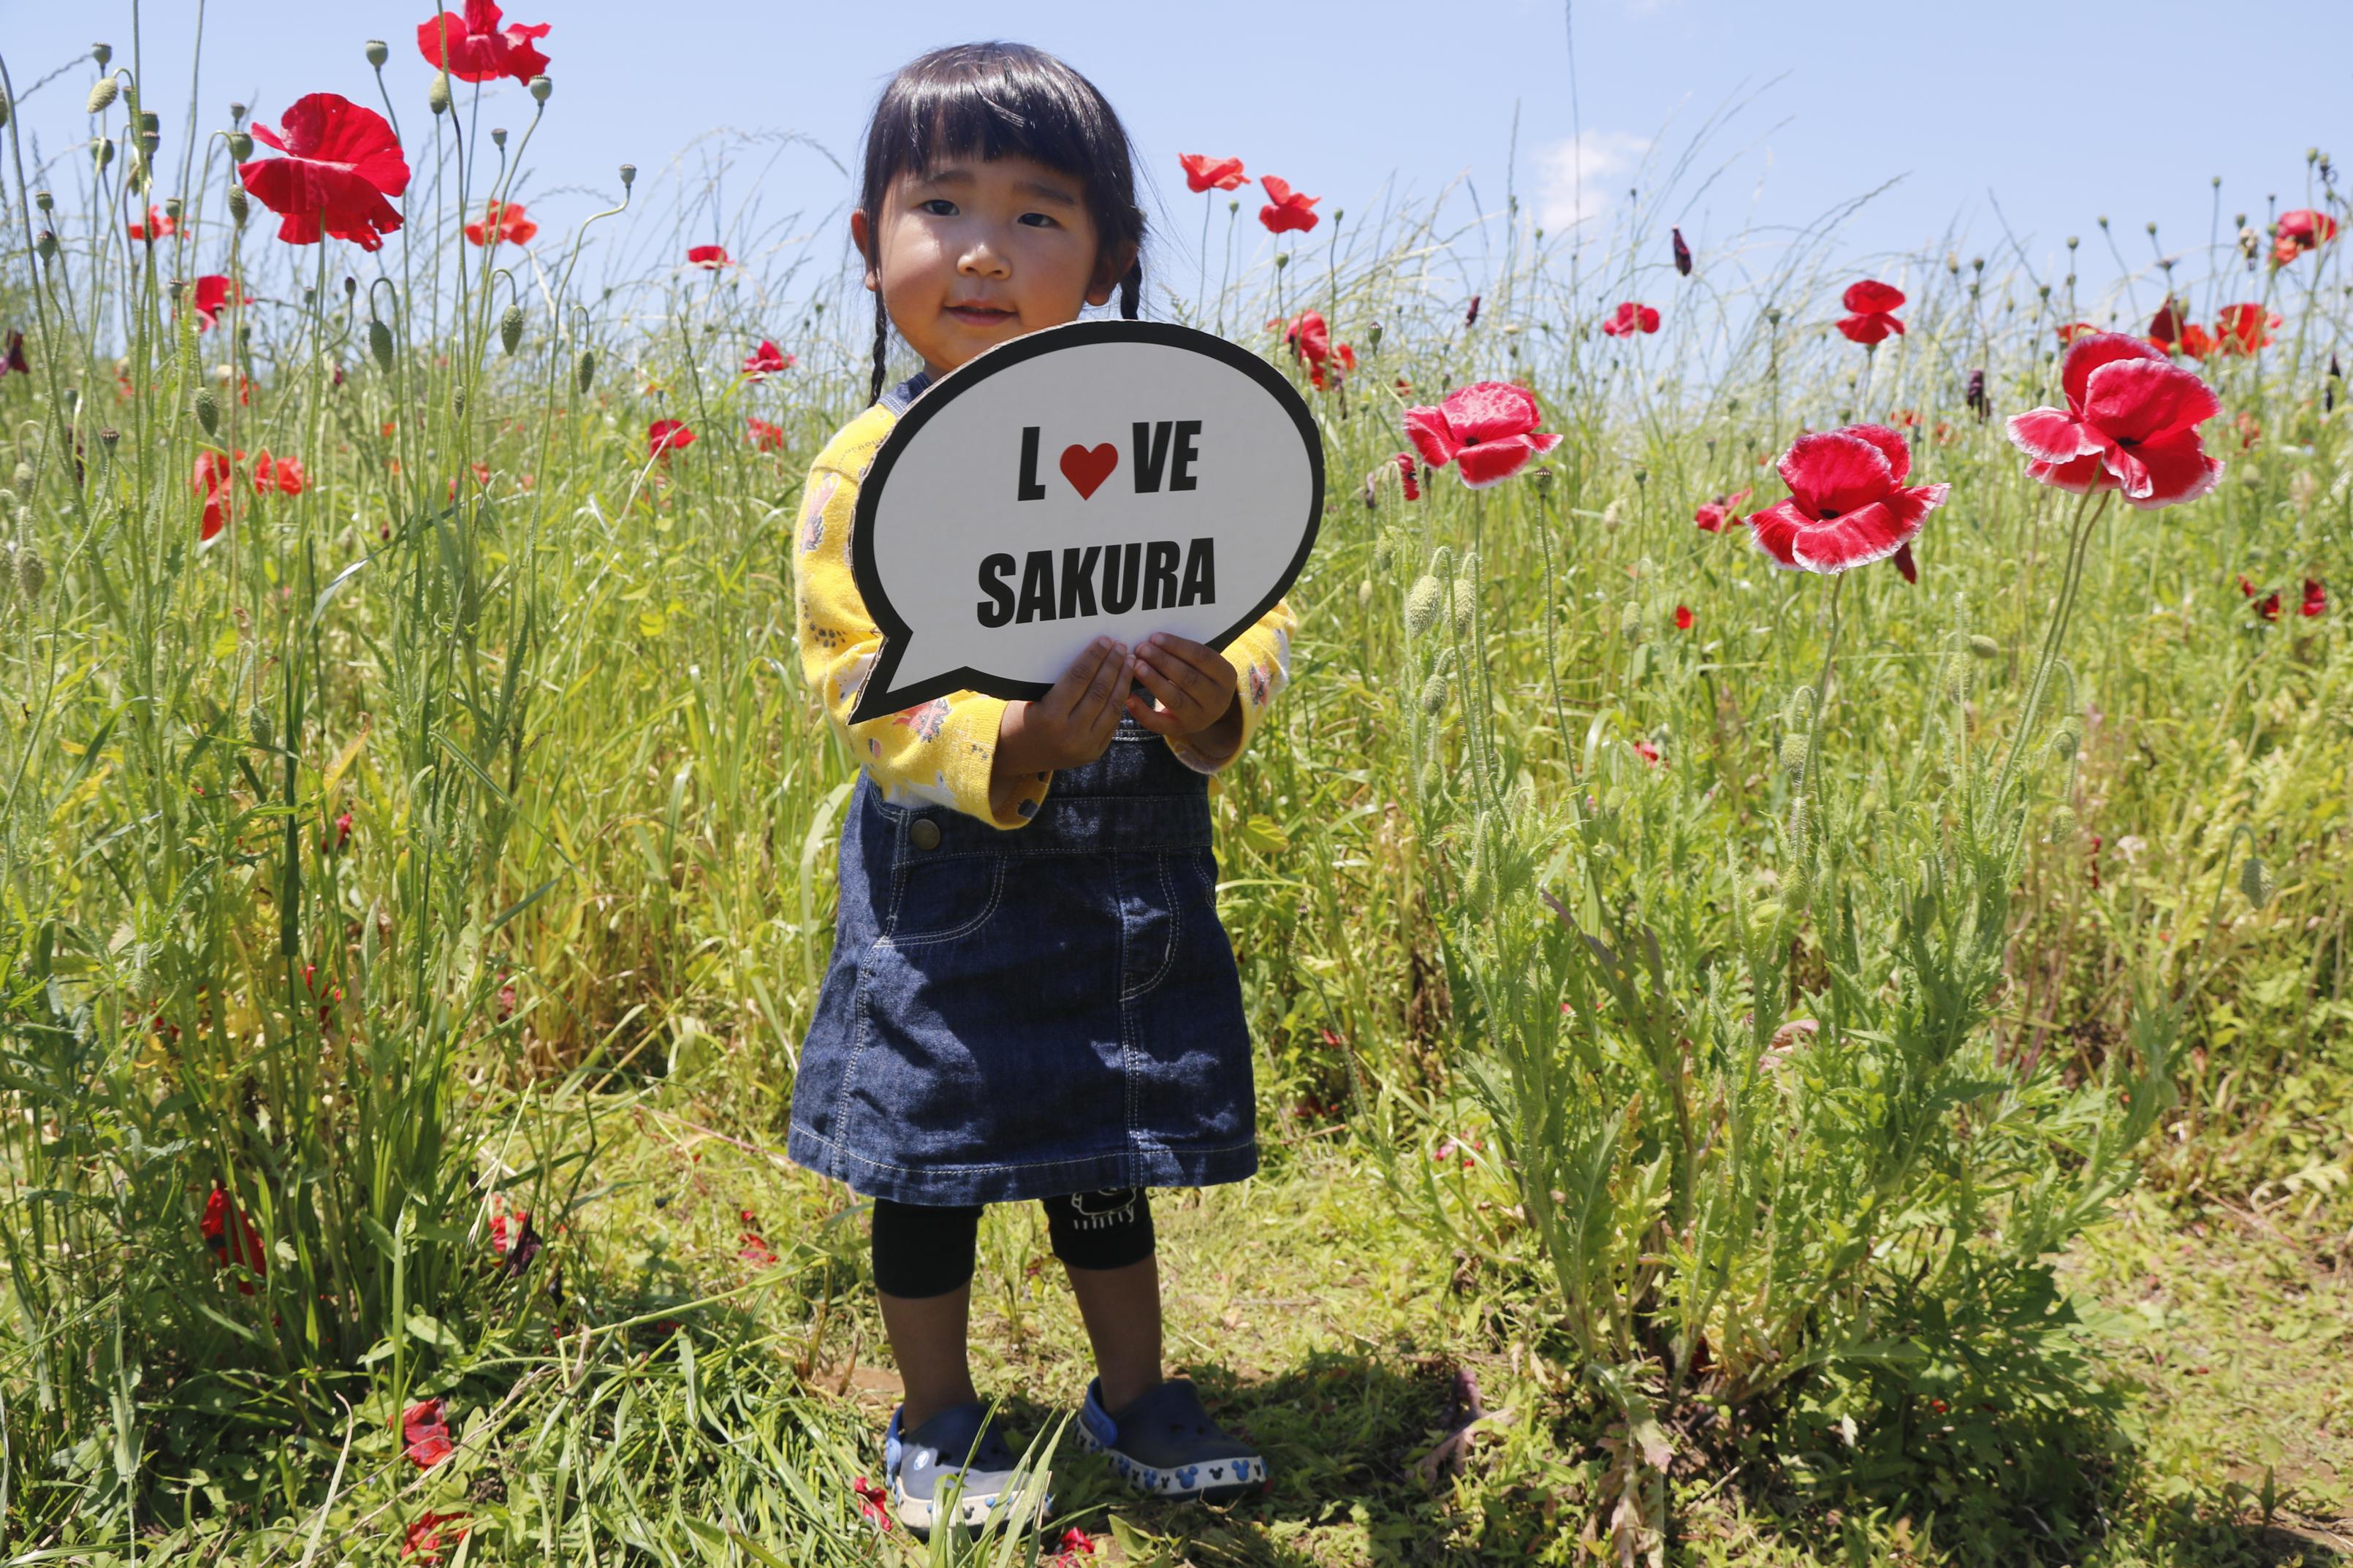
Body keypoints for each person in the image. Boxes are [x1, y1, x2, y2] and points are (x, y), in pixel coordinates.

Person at [786, 41, 1295, 1534]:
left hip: (1129, 863)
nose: (983, 251)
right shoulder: (864, 466)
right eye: (939, 204)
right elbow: (856, 673)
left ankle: (1132, 1390)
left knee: (1105, 1130)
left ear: (1111, 258)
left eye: (1036, 214)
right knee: (927, 1154)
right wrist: (1009, 748)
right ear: (872, 243)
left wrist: (1217, 697)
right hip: (949, 878)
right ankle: (935, 1413)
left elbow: (1251, 594)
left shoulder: (1178, 444)